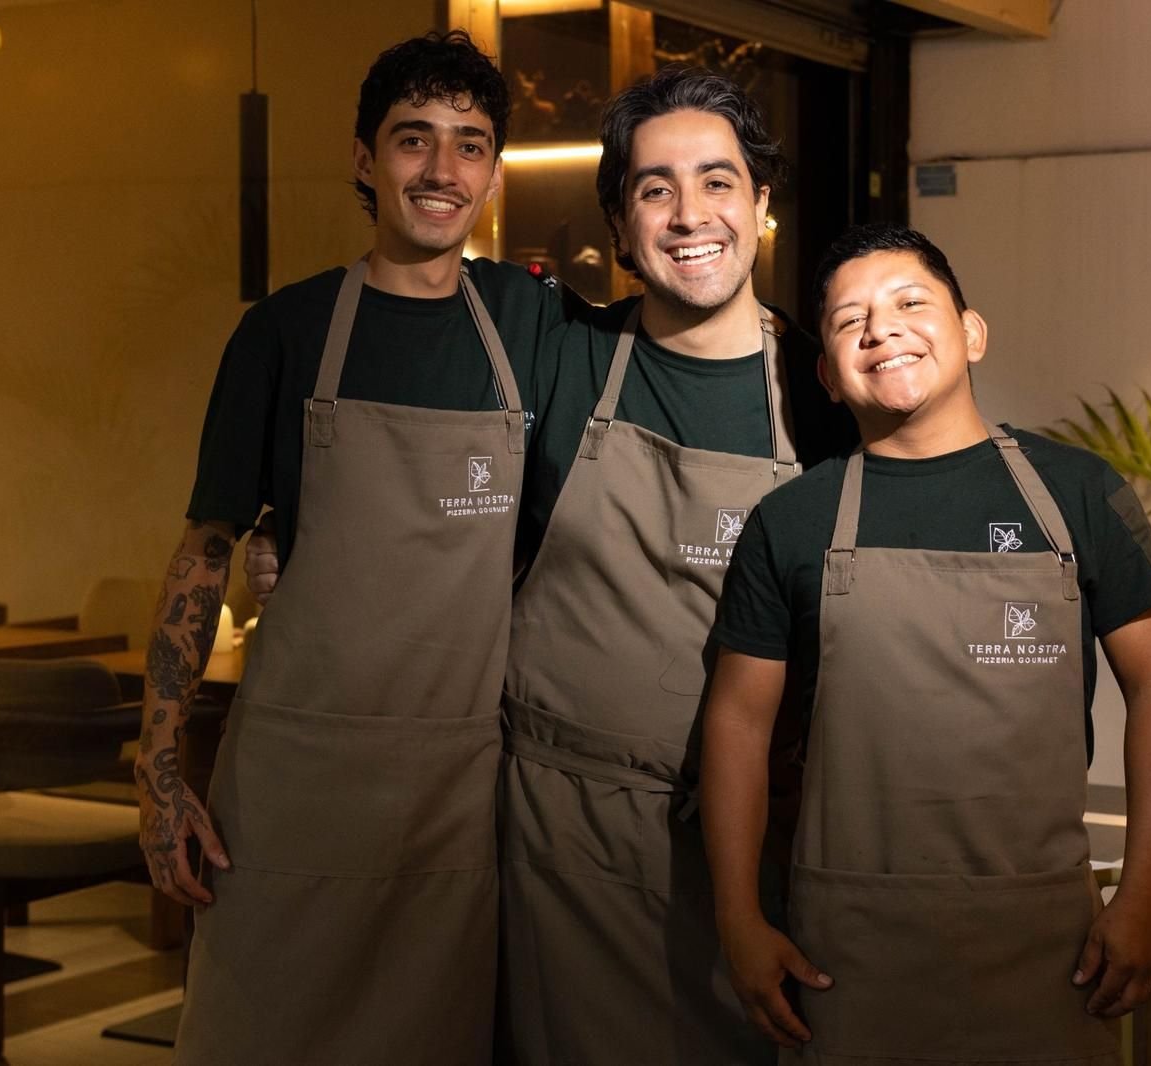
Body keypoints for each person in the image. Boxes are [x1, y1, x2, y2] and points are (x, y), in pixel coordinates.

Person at [244, 65, 855, 1064]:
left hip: (756, 836)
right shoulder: (556, 347)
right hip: (554, 834)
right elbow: (417, 458)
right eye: (654, 189)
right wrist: (289, 537)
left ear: (761, 205)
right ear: (618, 225)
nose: (688, 212)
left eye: (717, 181)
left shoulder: (827, 392)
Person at [134, 31, 564, 1065]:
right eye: (413, 139)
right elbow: (206, 552)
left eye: (469, 144)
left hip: (451, 792)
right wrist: (155, 770)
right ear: (365, 161)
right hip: (293, 785)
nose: (442, 168)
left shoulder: (530, 325)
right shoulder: (284, 331)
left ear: (494, 174)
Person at [700, 223, 1151, 1064]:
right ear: (826, 373)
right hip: (846, 949)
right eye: (849, 320)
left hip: (1046, 941)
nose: (880, 329)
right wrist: (739, 918)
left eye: (909, 302)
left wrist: (1143, 895)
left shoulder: (1076, 493)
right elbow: (738, 724)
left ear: (970, 333)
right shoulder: (793, 521)